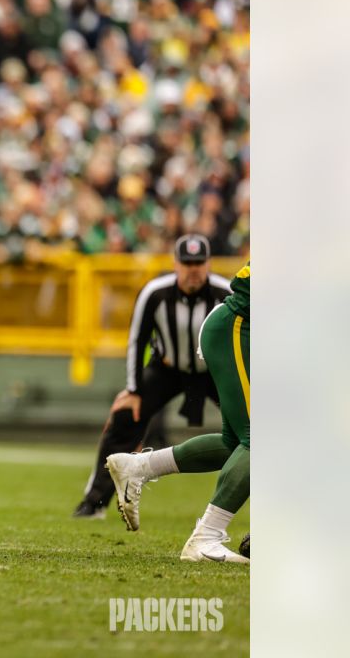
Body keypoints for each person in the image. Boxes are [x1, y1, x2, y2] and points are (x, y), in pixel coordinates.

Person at [73, 235, 232, 519]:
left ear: (208, 264)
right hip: (167, 369)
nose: (193, 269)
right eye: (187, 263)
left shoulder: (224, 293)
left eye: (198, 263)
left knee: (251, 428)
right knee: (124, 417)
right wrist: (133, 389)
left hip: (213, 371)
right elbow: (138, 340)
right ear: (175, 264)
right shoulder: (155, 292)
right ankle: (94, 502)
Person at [107, 261, 250, 563]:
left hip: (245, 330)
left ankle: (139, 468)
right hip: (238, 328)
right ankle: (206, 537)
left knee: (236, 443)